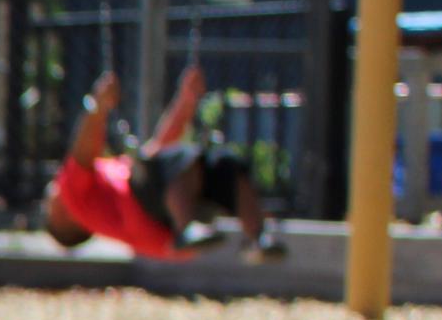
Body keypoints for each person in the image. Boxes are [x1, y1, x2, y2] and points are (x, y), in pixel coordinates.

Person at [43, 67, 281, 260]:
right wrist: (98, 107)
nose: (50, 191)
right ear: (63, 219)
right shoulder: (73, 200)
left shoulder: (101, 199)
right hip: (154, 212)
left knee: (223, 166)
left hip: (163, 215)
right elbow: (83, 151)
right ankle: (191, 227)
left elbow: (159, 148)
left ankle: (259, 238)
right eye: (47, 205)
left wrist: (186, 101)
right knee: (174, 164)